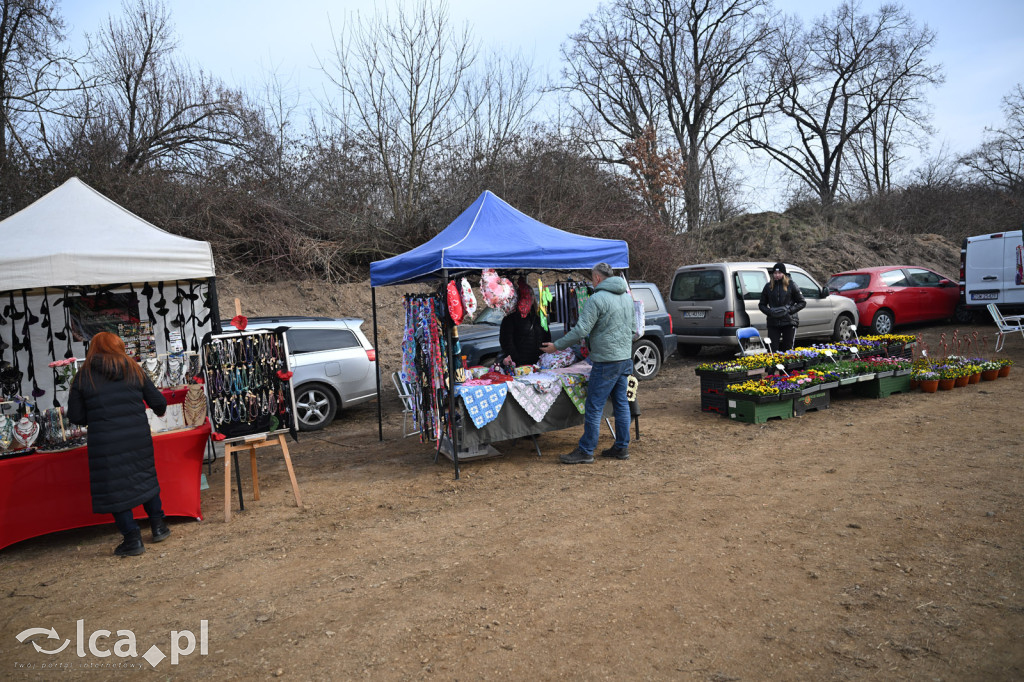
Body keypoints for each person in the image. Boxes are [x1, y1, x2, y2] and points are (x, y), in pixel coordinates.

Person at [68, 331, 170, 557]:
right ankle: (158, 527)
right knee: (144, 477)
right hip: (137, 438)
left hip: (105, 442)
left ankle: (132, 539)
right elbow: (159, 403)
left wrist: (96, 416)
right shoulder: (133, 368)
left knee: (116, 488)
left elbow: (75, 415)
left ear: (93, 349)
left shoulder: (84, 376)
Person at [540, 263, 635, 464]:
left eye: (593, 278)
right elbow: (634, 328)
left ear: (598, 278)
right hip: (624, 359)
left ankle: (586, 450)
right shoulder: (627, 298)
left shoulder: (596, 299)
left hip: (606, 361)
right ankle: (621, 447)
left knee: (593, 406)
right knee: (621, 404)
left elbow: (581, 331)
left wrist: (556, 346)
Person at [499, 278, 551, 368]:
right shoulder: (510, 318)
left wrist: (544, 356)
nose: (528, 298)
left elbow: (546, 337)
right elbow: (506, 342)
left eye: (531, 295)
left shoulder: (539, 317)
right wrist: (516, 359)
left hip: (538, 363)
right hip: (519, 365)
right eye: (525, 295)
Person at [758, 262, 806, 352]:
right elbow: (761, 304)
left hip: (789, 321)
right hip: (773, 322)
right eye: (775, 273)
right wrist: (770, 312)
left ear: (783, 274)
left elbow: (802, 302)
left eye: (779, 273)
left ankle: (788, 366)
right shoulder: (768, 287)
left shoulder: (791, 285)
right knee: (772, 349)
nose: (777, 275)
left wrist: (789, 310)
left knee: (788, 348)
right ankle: (774, 366)